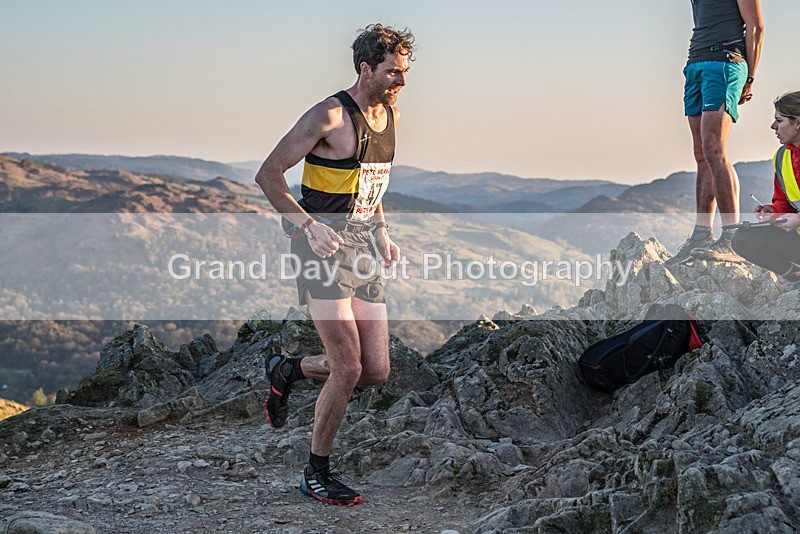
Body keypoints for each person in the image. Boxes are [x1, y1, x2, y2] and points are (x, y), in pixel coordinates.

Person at [254, 24, 414, 506]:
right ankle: (315, 472)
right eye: (394, 73)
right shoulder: (327, 115)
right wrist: (307, 226)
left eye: (405, 73)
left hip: (362, 247)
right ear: (366, 68)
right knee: (346, 366)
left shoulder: (391, 116)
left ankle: (289, 370)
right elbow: (268, 175)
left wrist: (382, 231)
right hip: (320, 248)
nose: (401, 83)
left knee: (375, 370)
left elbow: (374, 182)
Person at [665, 0, 764, 266]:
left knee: (713, 148)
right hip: (695, 62)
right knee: (701, 154)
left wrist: (750, 78)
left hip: (725, 60)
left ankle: (732, 238)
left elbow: (756, 27)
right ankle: (701, 234)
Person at [731, 92, 800, 283]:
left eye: (779, 120)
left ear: (798, 123)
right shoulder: (781, 157)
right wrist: (773, 211)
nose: (773, 126)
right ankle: (796, 278)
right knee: (743, 239)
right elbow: (785, 202)